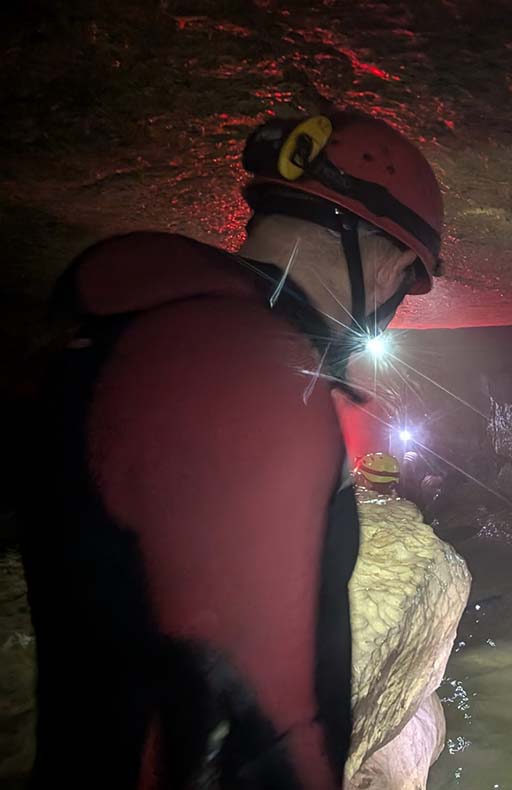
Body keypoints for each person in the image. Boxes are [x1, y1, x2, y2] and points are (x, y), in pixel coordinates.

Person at [20, 110, 444, 787]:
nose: (394, 295)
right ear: (385, 256)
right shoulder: (243, 369)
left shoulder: (130, 336)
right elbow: (257, 721)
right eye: (405, 275)